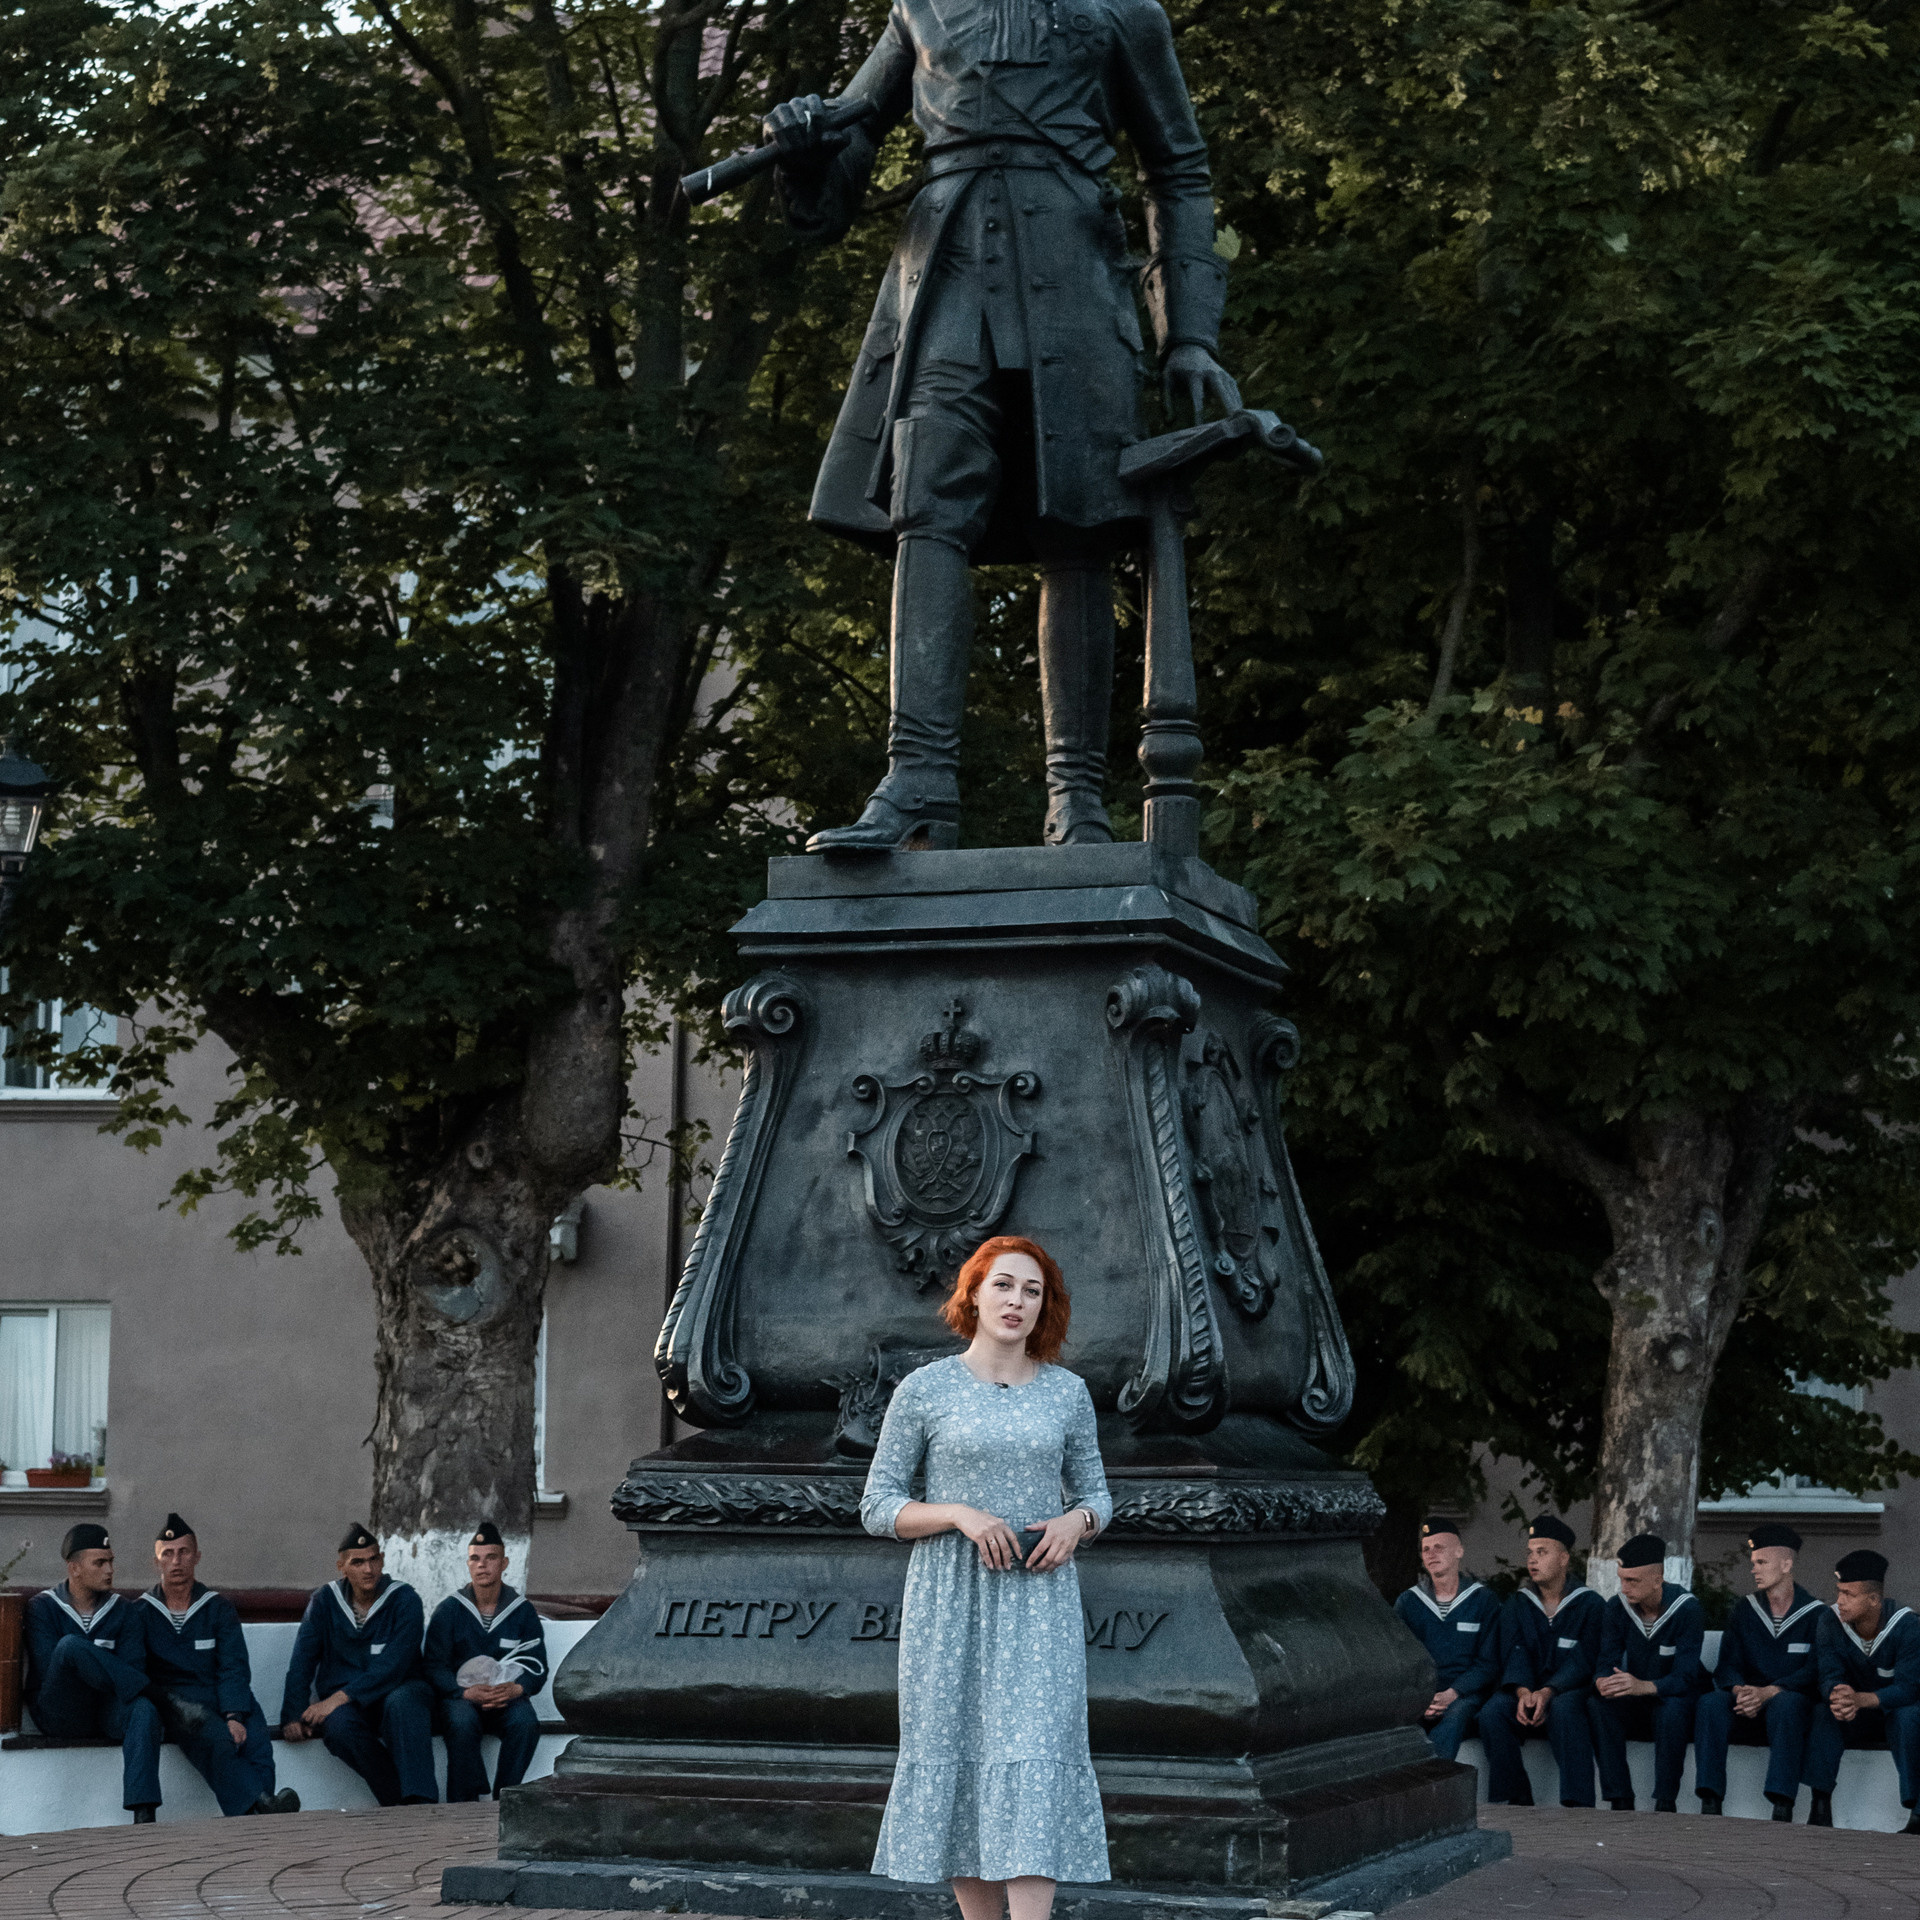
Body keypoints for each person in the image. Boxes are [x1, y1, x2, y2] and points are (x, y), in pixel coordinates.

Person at [764, 0, 1242, 852]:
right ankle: (917, 783)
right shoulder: (919, 5)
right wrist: (803, 154)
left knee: (1081, 523)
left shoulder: (1125, 12)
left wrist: (1191, 336)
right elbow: (841, 171)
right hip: (945, 274)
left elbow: (1180, 170)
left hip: (1075, 271)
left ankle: (1079, 803)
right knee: (929, 503)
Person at [860, 1234, 1112, 1920]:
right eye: (1004, 1285)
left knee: (1034, 1754)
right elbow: (878, 1504)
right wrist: (959, 1514)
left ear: (1044, 1308)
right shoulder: (926, 1389)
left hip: (1038, 1600)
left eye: (1032, 1291)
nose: (1017, 1301)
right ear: (973, 1293)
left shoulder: (1067, 1393)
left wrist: (1076, 1523)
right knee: (960, 1752)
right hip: (949, 1599)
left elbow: (1097, 1494)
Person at [134, 1512, 299, 1818]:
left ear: (197, 1556)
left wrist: (234, 1714)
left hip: (222, 1693)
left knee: (257, 1741)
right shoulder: (141, 1613)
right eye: (167, 1554)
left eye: (184, 1552)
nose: (176, 1561)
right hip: (181, 1705)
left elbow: (233, 1666)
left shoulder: (218, 1608)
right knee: (218, 1741)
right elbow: (139, 1673)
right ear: (155, 1562)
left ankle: (263, 1812)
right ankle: (260, 1808)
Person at [279, 1523, 436, 1806]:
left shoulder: (405, 1599)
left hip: (399, 1690)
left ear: (383, 1560)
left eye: (373, 1559)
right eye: (358, 1562)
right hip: (351, 1706)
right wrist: (292, 1715)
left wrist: (336, 1699)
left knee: (404, 1703)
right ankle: (399, 1800)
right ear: (341, 1566)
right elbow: (302, 1660)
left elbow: (394, 1664)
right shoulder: (324, 1602)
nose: (368, 1569)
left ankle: (421, 1799)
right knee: (337, 1727)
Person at [23, 1523, 163, 1823]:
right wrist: (99, 1664)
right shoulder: (43, 1608)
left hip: (105, 1711)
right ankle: (165, 1697)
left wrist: (97, 1667)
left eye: (111, 1561)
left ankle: (144, 1813)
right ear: (74, 1568)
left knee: (143, 1708)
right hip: (60, 1712)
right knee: (70, 1647)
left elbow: (133, 1671)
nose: (109, 1569)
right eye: (99, 1562)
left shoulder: (124, 1610)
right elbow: (52, 1671)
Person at [1692, 1521, 1819, 1821]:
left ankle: (1782, 1803)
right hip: (1746, 1702)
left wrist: (1770, 1692)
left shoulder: (1816, 1613)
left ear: (1786, 1564)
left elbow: (1815, 1671)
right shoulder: (1744, 1610)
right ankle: (1710, 1799)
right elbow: (1728, 1665)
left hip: (1787, 1702)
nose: (1754, 1569)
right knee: (1710, 1704)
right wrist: (1740, 1690)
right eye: (1753, 1563)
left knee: (1787, 1706)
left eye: (1762, 1562)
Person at [1477, 1514, 1602, 1808]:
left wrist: (1549, 1691)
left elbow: (1584, 1659)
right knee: (1492, 1713)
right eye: (1530, 1553)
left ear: (1563, 1558)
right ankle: (1516, 1798)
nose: (1533, 1560)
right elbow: (1513, 1652)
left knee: (1564, 1709)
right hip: (1526, 1691)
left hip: (1569, 1692)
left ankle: (1578, 1802)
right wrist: (1523, 1692)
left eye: (1542, 1552)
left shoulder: (1590, 1605)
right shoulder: (1518, 1603)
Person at [425, 1521, 548, 1802]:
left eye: (490, 1558)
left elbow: (537, 1664)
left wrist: (518, 1688)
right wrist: (463, 1692)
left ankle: (504, 1799)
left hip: (506, 1697)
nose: (483, 1565)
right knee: (462, 1721)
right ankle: (463, 1802)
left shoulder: (522, 1611)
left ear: (504, 1562)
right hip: (461, 1698)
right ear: (468, 1564)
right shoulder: (449, 1610)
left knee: (525, 1722)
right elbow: (433, 1666)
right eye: (475, 1559)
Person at [1588, 1533, 1706, 1813]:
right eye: (1622, 1579)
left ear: (1657, 1579)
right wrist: (1603, 1680)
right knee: (1598, 1704)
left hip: (1674, 1696)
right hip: (1638, 1697)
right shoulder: (1617, 1608)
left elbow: (1686, 1676)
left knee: (1672, 1711)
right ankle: (1620, 1797)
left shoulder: (1687, 1609)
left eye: (1633, 1581)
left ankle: (1665, 1801)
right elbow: (1606, 1659)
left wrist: (1643, 1686)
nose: (1624, 1588)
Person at [1805, 1547, 1920, 1832]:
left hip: (1891, 1712)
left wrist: (1863, 1699)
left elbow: (1908, 1688)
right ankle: (1819, 1806)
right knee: (1823, 1713)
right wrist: (1837, 1694)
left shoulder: (1907, 1626)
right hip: (1854, 1714)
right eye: (1839, 1591)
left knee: (1909, 1717)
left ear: (1873, 1600)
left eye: (1849, 1595)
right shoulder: (1829, 1621)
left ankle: (1917, 1813)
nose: (1840, 1601)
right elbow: (1828, 1672)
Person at [1392, 1518, 1502, 1761]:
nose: (1431, 1554)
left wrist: (1453, 1692)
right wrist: (1422, 1696)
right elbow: (1400, 1660)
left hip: (1465, 1695)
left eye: (1439, 1547)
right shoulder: (1409, 1602)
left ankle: (1434, 1786)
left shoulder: (1483, 1600)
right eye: (1426, 1549)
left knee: (1455, 1718)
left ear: (1459, 1551)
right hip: (1420, 1694)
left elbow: (1489, 1662)